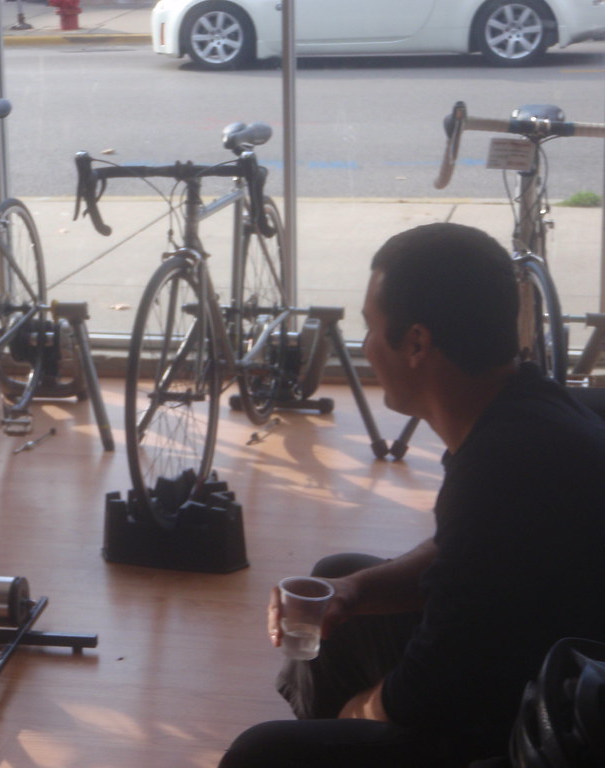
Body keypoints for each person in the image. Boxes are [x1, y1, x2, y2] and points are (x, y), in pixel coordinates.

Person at [219, 222, 605, 767]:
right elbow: (464, 555)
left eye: (372, 327)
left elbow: (433, 686)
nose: (366, 346)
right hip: (533, 656)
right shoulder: (524, 410)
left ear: (417, 343)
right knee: (343, 583)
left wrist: (355, 716)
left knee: (266, 753)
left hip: (544, 722)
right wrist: (354, 589)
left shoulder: (502, 466)